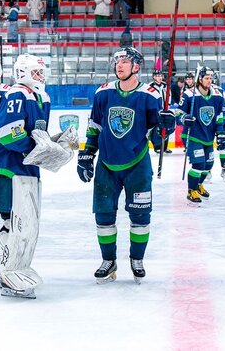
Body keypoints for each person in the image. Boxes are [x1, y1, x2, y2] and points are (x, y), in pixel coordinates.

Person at [0, 55, 76, 298]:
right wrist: (38, 149)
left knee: (20, 222)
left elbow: (34, 135)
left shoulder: (41, 97)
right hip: (2, 166)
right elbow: (8, 134)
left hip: (21, 165)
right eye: (36, 72)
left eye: (42, 72)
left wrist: (55, 143)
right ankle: (8, 274)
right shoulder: (17, 93)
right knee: (15, 222)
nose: (41, 77)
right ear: (22, 72)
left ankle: (4, 271)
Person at [79, 47, 166, 283]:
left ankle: (136, 259)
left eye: (125, 61)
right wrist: (87, 153)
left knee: (140, 215)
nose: (119, 65)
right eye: (117, 61)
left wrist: (166, 126)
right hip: (107, 165)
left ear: (136, 66)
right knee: (104, 215)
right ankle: (109, 260)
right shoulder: (103, 93)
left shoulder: (150, 95)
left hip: (137, 165)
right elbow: (95, 126)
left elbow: (157, 137)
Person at [174, 66, 225, 202]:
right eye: (206, 78)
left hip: (208, 137)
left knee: (208, 165)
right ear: (199, 79)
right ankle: (191, 190)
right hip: (192, 135)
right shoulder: (189, 95)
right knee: (199, 164)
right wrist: (184, 118)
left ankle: (198, 185)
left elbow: (219, 116)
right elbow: (178, 114)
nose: (209, 81)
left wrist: (221, 132)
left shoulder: (217, 96)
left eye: (211, 78)